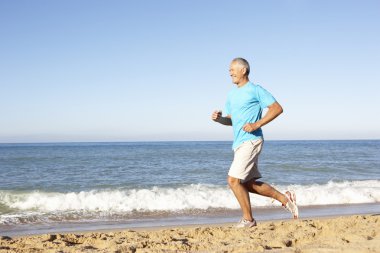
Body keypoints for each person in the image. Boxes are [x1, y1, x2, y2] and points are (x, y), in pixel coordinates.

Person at [211, 58, 298, 228]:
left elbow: (277, 108)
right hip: (239, 143)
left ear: (243, 70)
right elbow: (231, 121)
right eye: (229, 70)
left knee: (233, 181)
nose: (229, 72)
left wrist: (256, 124)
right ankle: (285, 198)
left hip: (251, 141)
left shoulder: (255, 90)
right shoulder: (231, 94)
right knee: (248, 184)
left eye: (232, 69)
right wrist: (219, 119)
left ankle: (248, 220)